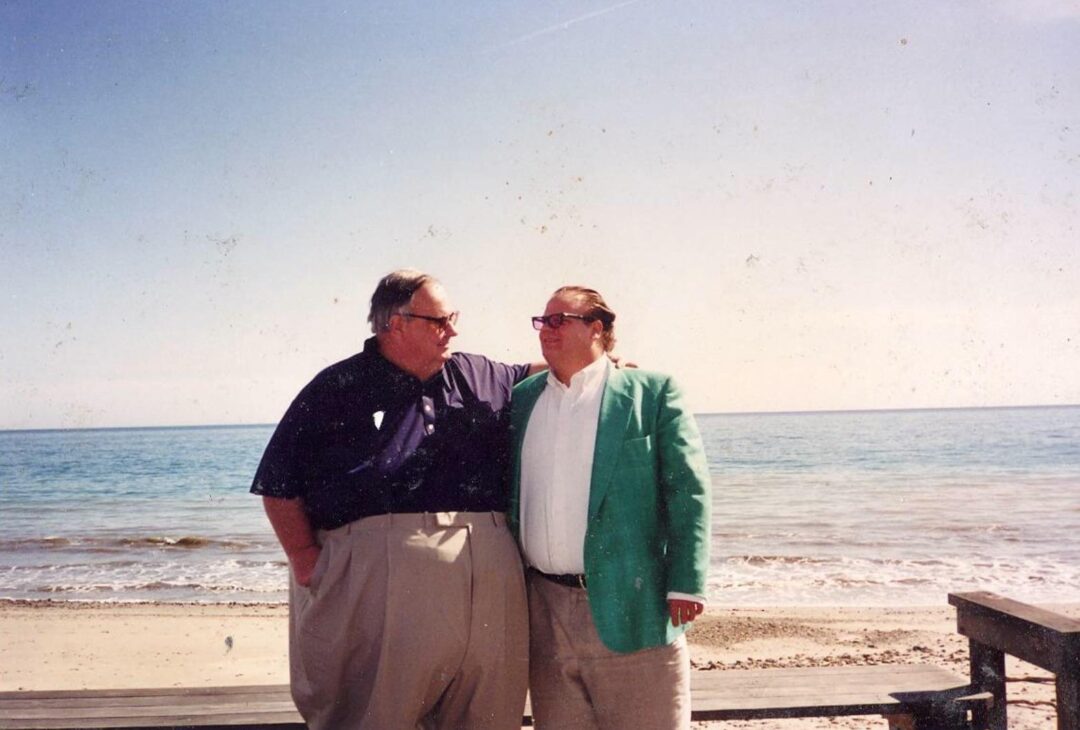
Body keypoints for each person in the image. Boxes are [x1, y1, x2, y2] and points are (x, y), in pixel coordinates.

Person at [251, 269, 536, 730]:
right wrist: (306, 560)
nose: (453, 331)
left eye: (453, 318)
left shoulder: (480, 373)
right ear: (395, 323)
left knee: (489, 713)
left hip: (488, 574)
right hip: (380, 579)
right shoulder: (336, 387)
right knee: (376, 715)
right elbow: (279, 483)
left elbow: (538, 375)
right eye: (439, 321)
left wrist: (605, 365)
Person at [509, 285, 712, 730]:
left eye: (560, 320)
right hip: (544, 610)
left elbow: (688, 490)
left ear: (597, 328)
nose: (546, 329)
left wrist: (687, 582)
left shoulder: (652, 392)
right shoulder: (522, 400)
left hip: (633, 604)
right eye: (542, 320)